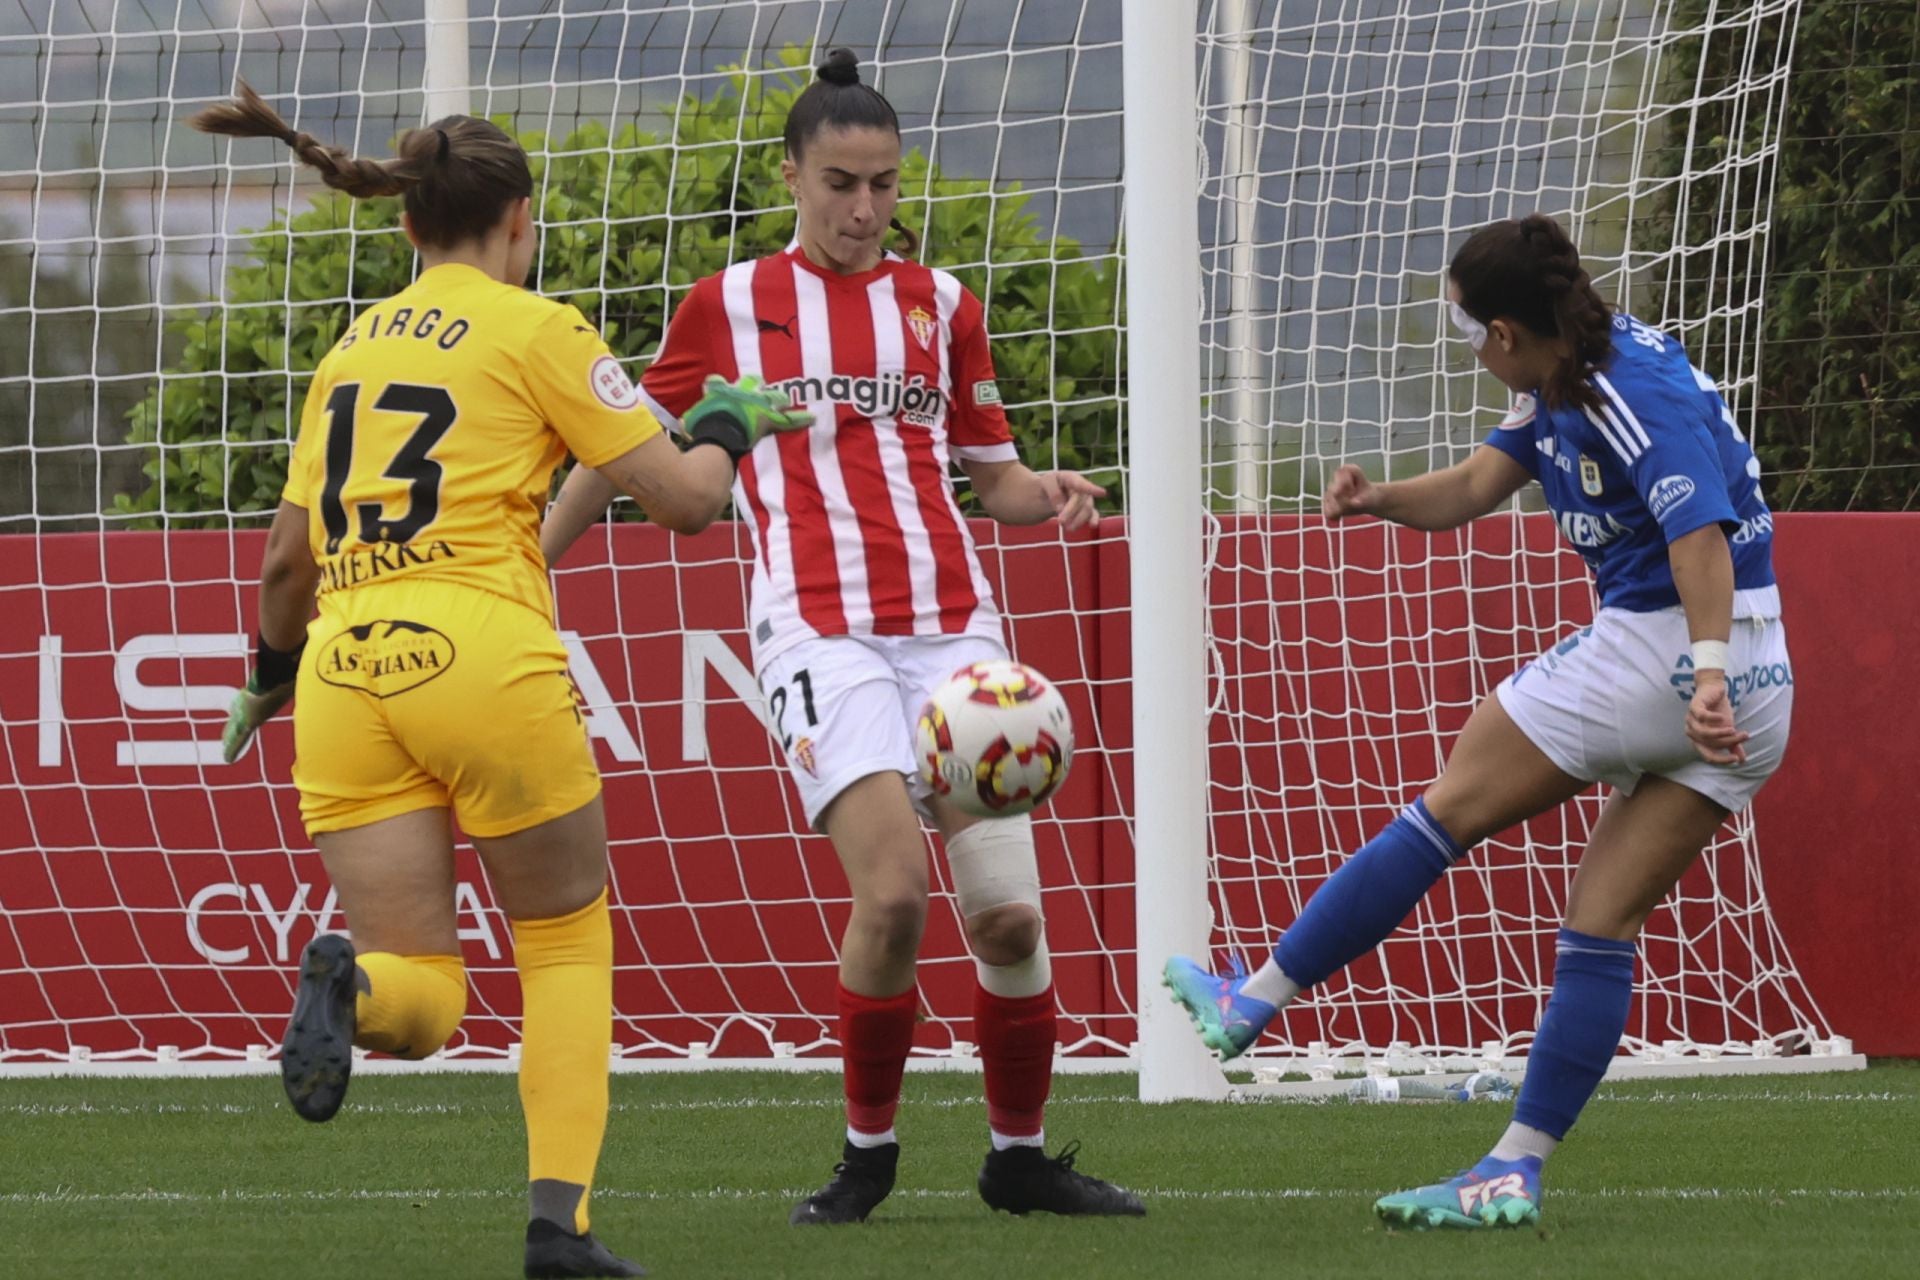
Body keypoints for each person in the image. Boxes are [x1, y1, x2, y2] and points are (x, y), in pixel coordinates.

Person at [197, 80, 808, 1278]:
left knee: (422, 988)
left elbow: (283, 560)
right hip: (479, 644)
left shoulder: (349, 350)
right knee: (566, 941)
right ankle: (557, 1227)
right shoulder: (541, 329)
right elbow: (687, 500)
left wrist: (267, 678)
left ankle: (349, 983)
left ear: (408, 223)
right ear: (519, 220)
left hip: (346, 663)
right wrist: (729, 421)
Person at [541, 48, 1143, 1225]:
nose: (863, 208)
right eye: (839, 182)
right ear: (792, 175)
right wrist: (532, 557)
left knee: (1012, 916)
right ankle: (869, 1154)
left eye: (881, 184)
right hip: (819, 634)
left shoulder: (944, 305)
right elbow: (624, 445)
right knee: (899, 891)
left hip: (959, 631)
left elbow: (993, 478)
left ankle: (1017, 1157)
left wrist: (1048, 492)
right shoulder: (726, 303)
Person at [1165, 213, 1791, 1230]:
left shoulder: (1627, 389)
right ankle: (1511, 1167)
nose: (1468, 349)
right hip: (1757, 683)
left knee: (1443, 810)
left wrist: (1704, 671)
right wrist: (1377, 500)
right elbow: (1471, 488)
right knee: (1600, 922)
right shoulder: (1564, 370)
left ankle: (1256, 999)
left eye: (1467, 330)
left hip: (1677, 647)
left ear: (1505, 331)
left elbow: (1702, 538)